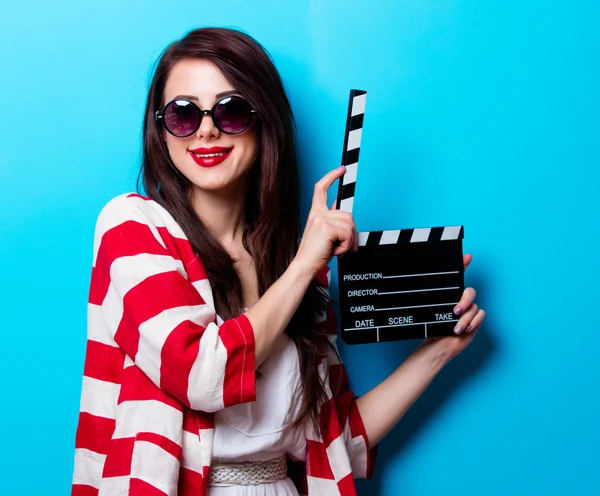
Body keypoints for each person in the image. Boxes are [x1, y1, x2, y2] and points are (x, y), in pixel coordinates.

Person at [71, 27, 486, 496]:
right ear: (161, 130)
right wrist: (305, 265)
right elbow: (200, 375)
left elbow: (338, 448)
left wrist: (439, 351)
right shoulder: (132, 225)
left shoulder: (293, 269)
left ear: (262, 121)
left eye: (230, 111)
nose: (207, 129)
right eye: (183, 114)